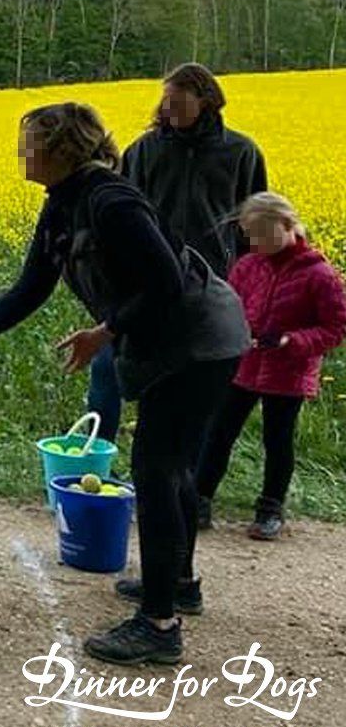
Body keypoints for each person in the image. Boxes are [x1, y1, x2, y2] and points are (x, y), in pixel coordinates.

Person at [0, 102, 249, 665]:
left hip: (200, 339)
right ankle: (176, 584)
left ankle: (159, 624)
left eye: (28, 142)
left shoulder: (110, 199)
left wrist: (106, 330)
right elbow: (33, 286)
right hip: (177, 341)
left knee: (155, 470)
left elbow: (168, 281)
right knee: (166, 467)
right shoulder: (62, 205)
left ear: (60, 148)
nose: (20, 153)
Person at [87, 63, 268, 446]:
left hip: (209, 285)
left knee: (193, 384)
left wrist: (251, 281)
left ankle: (186, 475)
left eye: (177, 101)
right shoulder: (143, 151)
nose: (167, 109)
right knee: (107, 368)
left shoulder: (240, 152)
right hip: (145, 282)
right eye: (164, 101)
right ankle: (96, 455)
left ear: (206, 101)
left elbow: (254, 222)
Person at [196, 193, 346, 540]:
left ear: (288, 226)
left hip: (288, 371)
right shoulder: (248, 267)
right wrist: (232, 335)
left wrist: (293, 342)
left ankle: (270, 508)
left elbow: (334, 328)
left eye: (264, 235)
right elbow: (229, 307)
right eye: (251, 236)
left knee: (277, 439)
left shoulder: (320, 275)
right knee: (219, 432)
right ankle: (199, 498)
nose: (257, 243)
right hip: (243, 365)